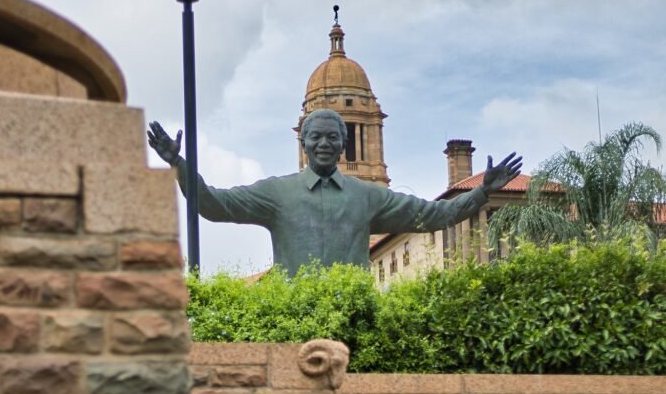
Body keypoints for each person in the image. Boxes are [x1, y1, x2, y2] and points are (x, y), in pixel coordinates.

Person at [147, 109, 522, 276]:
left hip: (355, 315)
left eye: (332, 137)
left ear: (343, 143)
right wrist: (179, 166)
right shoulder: (278, 193)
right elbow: (214, 204)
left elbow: (434, 215)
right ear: (304, 145)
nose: (324, 143)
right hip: (293, 315)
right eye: (316, 137)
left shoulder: (368, 196)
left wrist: (481, 193)